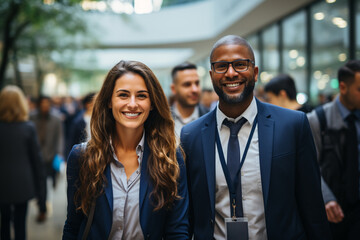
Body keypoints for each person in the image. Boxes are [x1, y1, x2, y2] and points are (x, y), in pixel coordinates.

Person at [180, 35, 331, 239]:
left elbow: (312, 206)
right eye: (222, 66)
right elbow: (187, 214)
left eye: (240, 64)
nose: (231, 73)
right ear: (212, 74)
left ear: (255, 72)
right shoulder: (191, 135)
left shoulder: (293, 125)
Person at [62, 60, 189, 239]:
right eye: (123, 95)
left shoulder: (170, 158)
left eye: (142, 96)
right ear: (109, 101)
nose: (132, 104)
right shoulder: (82, 157)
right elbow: (73, 226)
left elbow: (177, 231)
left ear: (152, 103)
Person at [307, 60, 360, 239]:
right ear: (343, 87)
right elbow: (309, 165)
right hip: (332, 211)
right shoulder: (317, 119)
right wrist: (326, 198)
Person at [0, 85, 45, 240]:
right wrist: (42, 195)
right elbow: (36, 161)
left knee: (3, 224)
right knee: (20, 226)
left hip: (2, 184)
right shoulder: (28, 128)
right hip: (23, 184)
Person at [30, 95, 64, 222]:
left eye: (47, 104)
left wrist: (59, 153)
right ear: (39, 105)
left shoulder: (56, 118)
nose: (45, 106)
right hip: (36, 156)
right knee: (41, 183)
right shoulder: (32, 117)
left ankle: (42, 205)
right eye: (42, 104)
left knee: (47, 180)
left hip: (50, 155)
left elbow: (60, 137)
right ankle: (42, 209)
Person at [170, 62, 209, 137]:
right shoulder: (162, 120)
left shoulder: (211, 118)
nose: (195, 90)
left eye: (197, 83)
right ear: (173, 89)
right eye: (187, 84)